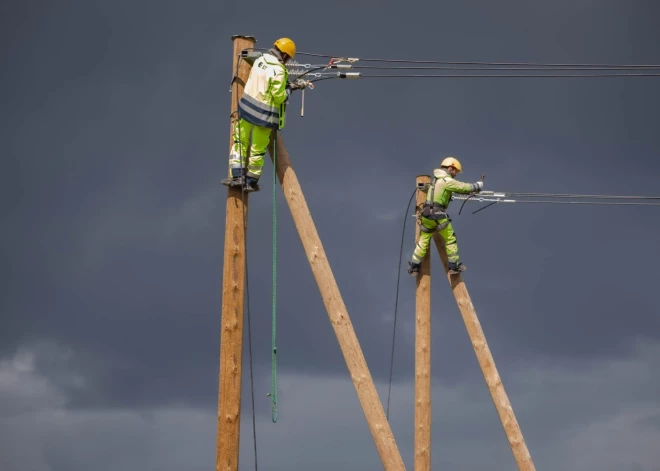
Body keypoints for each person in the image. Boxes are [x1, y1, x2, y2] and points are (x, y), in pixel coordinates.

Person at [222, 37, 304, 192]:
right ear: (285, 56)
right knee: (257, 149)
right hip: (263, 116)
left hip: (246, 109)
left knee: (240, 142)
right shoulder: (279, 70)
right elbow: (279, 96)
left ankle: (237, 176)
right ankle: (251, 182)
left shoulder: (260, 60)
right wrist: (290, 89)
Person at [408, 157, 483, 276]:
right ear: (450, 168)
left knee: (423, 241)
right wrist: (477, 186)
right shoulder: (447, 180)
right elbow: (463, 187)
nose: (455, 174)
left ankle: (414, 267)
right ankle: (453, 266)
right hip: (438, 215)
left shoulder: (435, 181)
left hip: (426, 216)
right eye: (455, 171)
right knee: (450, 239)